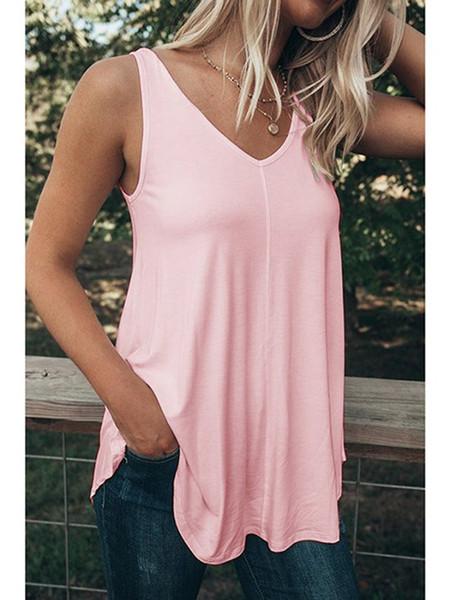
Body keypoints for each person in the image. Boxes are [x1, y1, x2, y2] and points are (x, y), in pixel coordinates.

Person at [25, 0, 424, 598]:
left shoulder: (316, 106)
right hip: (164, 456)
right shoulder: (126, 87)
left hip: (291, 469)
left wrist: (372, 15)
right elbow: (44, 263)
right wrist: (138, 415)